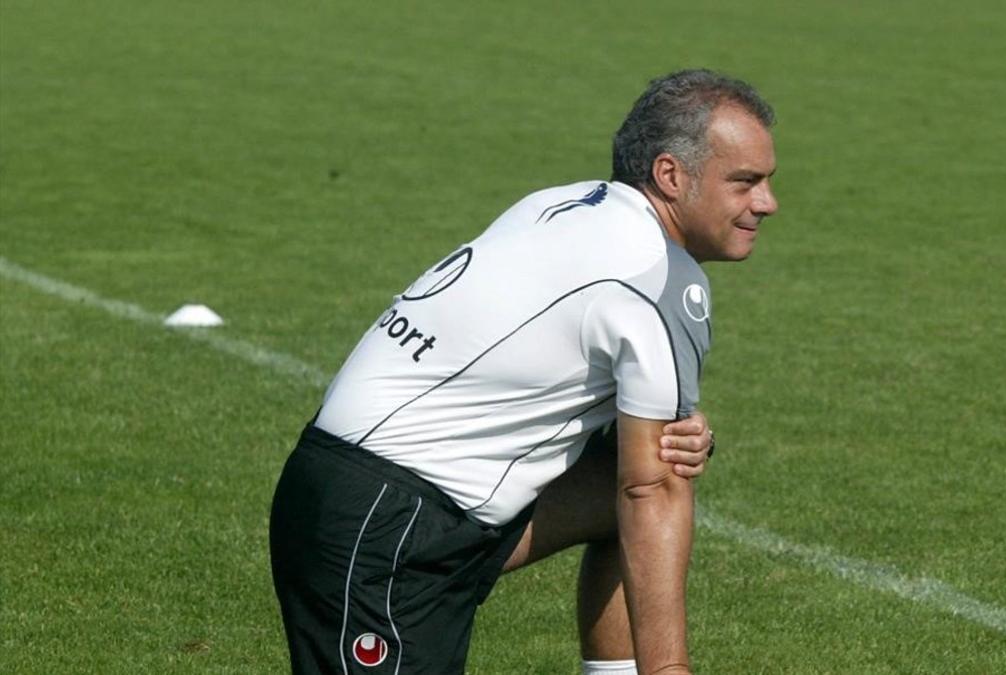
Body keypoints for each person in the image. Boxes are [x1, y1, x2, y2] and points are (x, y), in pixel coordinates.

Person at [270, 68, 778, 675]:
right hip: (386, 528)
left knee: (648, 465)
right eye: (745, 182)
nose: (767, 203)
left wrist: (685, 433)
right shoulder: (659, 279)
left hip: (372, 495)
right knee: (651, 482)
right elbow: (650, 491)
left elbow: (641, 452)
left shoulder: (562, 204)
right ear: (671, 175)